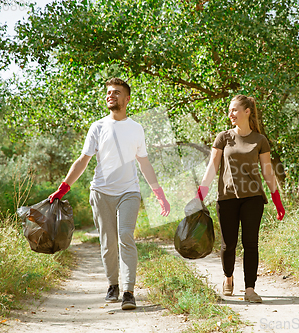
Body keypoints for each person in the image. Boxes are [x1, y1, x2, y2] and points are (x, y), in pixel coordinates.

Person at [49, 78, 170, 310]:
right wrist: (64, 187)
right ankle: (112, 285)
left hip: (129, 191)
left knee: (125, 235)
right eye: (108, 92)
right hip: (101, 191)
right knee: (108, 241)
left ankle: (128, 291)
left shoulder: (136, 128)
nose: (110, 95)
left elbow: (144, 163)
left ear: (127, 99)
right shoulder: (98, 127)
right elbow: (83, 160)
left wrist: (159, 193)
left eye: (116, 92)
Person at [196, 95, 285, 303]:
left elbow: (268, 172)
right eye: (230, 110)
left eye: (235, 110)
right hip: (226, 197)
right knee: (229, 244)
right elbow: (212, 168)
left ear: (247, 112)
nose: (230, 114)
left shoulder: (260, 140)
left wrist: (277, 199)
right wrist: (200, 194)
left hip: (253, 198)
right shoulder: (223, 138)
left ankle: (250, 289)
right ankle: (228, 277)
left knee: (251, 243)